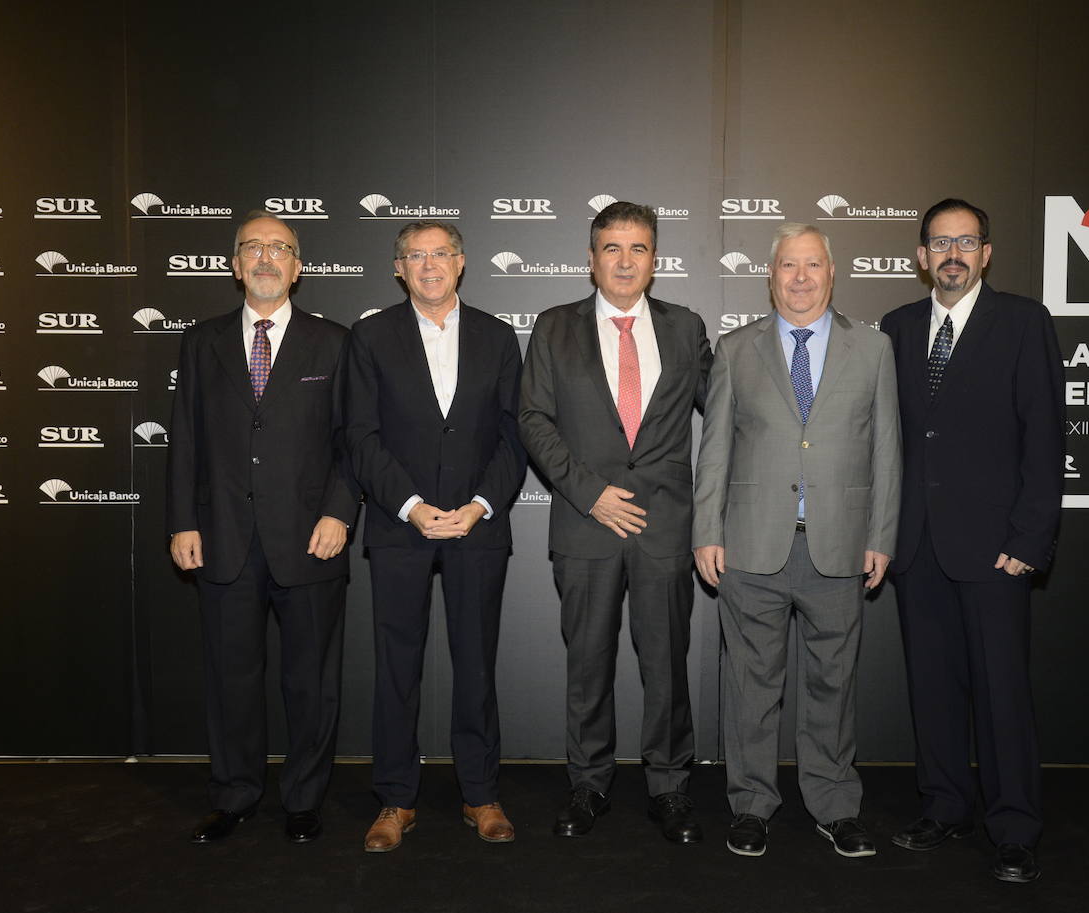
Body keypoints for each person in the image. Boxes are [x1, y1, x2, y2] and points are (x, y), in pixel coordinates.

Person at [693, 222, 900, 859]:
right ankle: (751, 805)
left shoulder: (874, 350)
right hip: (752, 547)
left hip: (839, 548)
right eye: (789, 265)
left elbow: (886, 451)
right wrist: (706, 531)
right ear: (771, 274)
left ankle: (835, 805)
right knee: (751, 688)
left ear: (831, 275)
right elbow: (716, 450)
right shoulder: (734, 350)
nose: (801, 277)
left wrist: (882, 535)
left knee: (832, 688)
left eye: (813, 265)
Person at [880, 198, 1065, 883]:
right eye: (939, 242)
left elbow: (1045, 437)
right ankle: (945, 803)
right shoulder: (897, 328)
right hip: (915, 543)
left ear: (985, 253)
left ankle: (1014, 824)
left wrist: (1030, 536)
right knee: (931, 686)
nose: (952, 253)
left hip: (995, 547)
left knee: (1001, 690)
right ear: (922, 256)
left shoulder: (1022, 322)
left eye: (966, 241)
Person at [519, 201, 712, 844]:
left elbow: (732, 409)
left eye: (638, 250)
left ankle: (671, 788)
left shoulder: (686, 328)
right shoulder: (553, 327)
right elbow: (533, 422)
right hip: (585, 523)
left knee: (666, 664)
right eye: (612, 248)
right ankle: (589, 784)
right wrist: (589, 492)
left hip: (664, 527)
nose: (625, 261)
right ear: (592, 256)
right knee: (588, 664)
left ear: (654, 260)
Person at [168, 211, 357, 845]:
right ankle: (235, 795)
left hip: (309, 540)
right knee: (231, 680)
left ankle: (304, 800)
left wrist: (338, 511)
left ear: (299, 267)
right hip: (222, 538)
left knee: (310, 680)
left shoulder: (333, 342)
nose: (267, 258)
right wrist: (181, 522)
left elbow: (350, 442)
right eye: (254, 248)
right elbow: (185, 439)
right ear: (234, 263)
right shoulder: (203, 341)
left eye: (281, 248)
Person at [345, 221, 526, 851]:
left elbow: (513, 436)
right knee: (397, 669)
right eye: (415, 256)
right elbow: (360, 436)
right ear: (398, 269)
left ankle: (480, 795)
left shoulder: (500, 338)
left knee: (476, 666)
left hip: (478, 529)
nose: (429, 265)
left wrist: (479, 505)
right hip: (402, 529)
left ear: (462, 262)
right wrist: (412, 506)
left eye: (440, 253)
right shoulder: (371, 337)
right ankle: (395, 800)